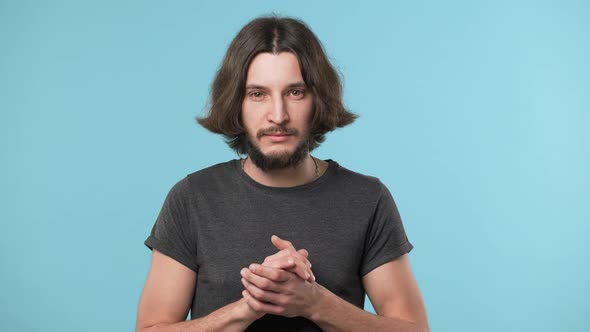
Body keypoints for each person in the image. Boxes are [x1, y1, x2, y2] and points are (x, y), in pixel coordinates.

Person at [136, 15, 429, 332]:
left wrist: (316, 303)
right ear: (237, 103)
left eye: (295, 92)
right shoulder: (193, 197)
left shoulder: (367, 199)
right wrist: (249, 307)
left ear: (318, 99)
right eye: (258, 94)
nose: (278, 115)